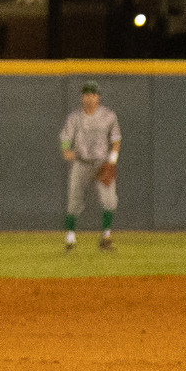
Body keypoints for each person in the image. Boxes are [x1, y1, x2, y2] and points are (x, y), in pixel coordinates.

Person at [59, 81, 121, 251]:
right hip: (81, 163)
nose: (89, 97)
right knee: (73, 202)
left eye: (92, 94)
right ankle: (70, 238)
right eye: (86, 94)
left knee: (110, 201)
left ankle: (106, 237)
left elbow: (115, 139)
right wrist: (66, 150)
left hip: (102, 163)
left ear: (98, 97)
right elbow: (65, 138)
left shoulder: (108, 116)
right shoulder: (74, 117)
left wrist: (112, 160)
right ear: (82, 97)